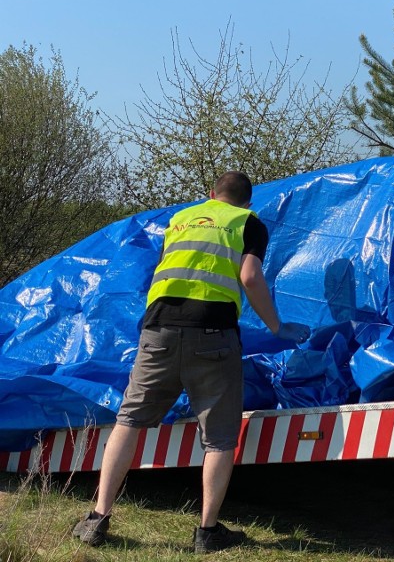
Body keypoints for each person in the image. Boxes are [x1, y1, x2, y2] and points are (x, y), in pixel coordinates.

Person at [72, 171, 310, 553]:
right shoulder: (248, 223)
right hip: (212, 335)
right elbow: (250, 276)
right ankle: (207, 532)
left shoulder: (180, 220)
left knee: (129, 420)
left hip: (158, 331)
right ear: (247, 201)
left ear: (210, 194)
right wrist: (277, 326)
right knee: (218, 438)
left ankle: (97, 518)